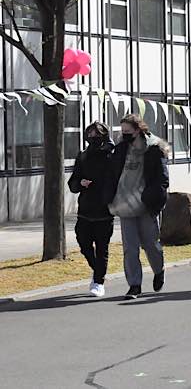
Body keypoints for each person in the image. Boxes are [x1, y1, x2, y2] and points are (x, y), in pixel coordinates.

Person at [105, 114, 170, 300]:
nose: (124, 134)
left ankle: (159, 270)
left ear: (138, 129)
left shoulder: (154, 149)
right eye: (122, 131)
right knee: (130, 248)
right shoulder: (120, 150)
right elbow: (112, 174)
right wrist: (108, 196)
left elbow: (161, 178)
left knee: (151, 244)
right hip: (125, 203)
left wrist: (156, 199)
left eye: (128, 131)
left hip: (147, 203)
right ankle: (134, 285)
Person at [68, 122, 115, 298]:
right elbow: (73, 182)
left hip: (104, 209)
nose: (93, 137)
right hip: (85, 208)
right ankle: (98, 271)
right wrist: (80, 183)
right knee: (84, 244)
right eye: (90, 134)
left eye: (97, 134)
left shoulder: (110, 155)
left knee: (102, 248)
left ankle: (98, 282)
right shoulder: (83, 156)